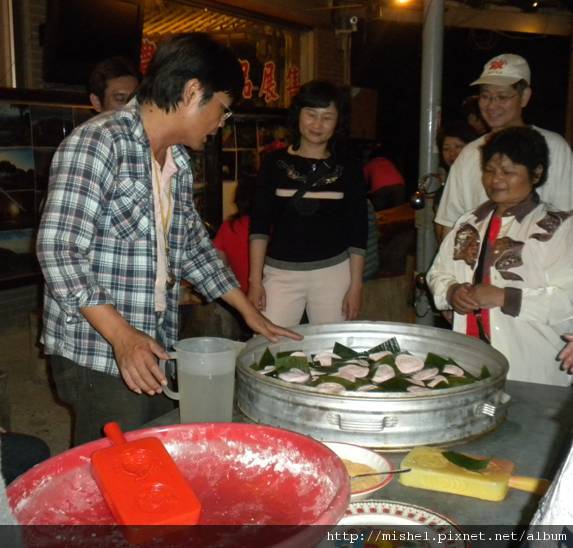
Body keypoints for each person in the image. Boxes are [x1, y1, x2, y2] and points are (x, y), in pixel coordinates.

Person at [36, 33, 301, 446]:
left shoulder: (175, 159)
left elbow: (192, 246)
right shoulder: (99, 142)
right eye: (222, 109)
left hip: (153, 339)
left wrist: (248, 312)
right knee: (113, 463)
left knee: (157, 447)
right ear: (193, 92)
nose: (220, 123)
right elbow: (59, 250)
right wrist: (122, 337)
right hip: (99, 348)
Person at [427, 126, 573, 386]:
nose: (496, 180)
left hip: (534, 368)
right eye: (490, 170)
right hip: (471, 363)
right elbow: (438, 273)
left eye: (508, 172)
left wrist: (504, 297)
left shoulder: (560, 228)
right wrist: (451, 292)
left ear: (536, 173)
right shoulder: (469, 222)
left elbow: (567, 299)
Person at [248, 80, 368, 327]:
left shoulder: (349, 167)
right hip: (280, 274)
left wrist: (356, 286)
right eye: (311, 114)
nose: (318, 124)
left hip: (334, 274)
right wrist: (255, 281)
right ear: (298, 115)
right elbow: (259, 226)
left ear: (338, 122)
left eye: (327, 117)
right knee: (269, 343)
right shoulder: (273, 164)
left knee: (333, 347)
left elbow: (358, 231)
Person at [435, 53, 573, 242]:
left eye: (502, 96)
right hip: (478, 258)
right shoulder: (469, 153)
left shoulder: (554, 148)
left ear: (524, 96)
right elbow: (449, 223)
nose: (492, 105)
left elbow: (567, 219)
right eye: (485, 96)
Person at [213, 172, 256, 294]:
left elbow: (219, 266)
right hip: (272, 296)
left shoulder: (228, 227)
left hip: (241, 297)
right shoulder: (272, 227)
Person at [363, 143, 406, 211]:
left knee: (379, 212)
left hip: (380, 189)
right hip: (399, 186)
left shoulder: (369, 164)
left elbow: (363, 181)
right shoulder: (388, 161)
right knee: (398, 211)